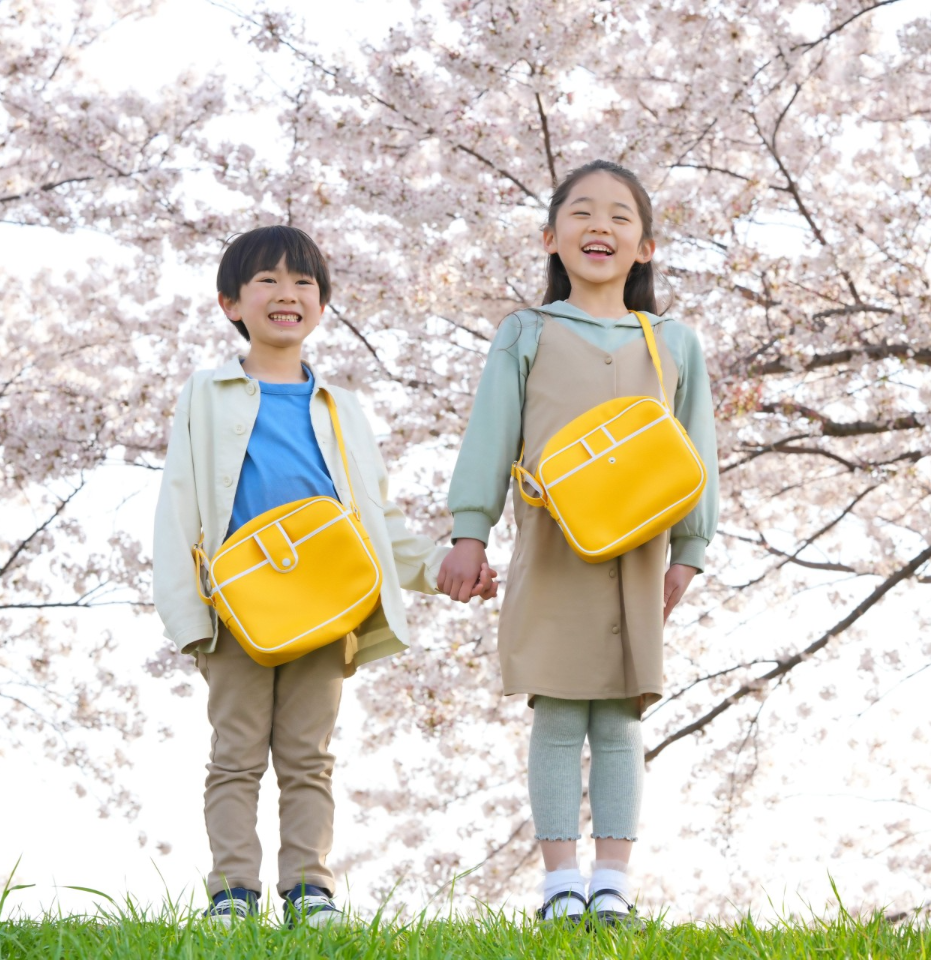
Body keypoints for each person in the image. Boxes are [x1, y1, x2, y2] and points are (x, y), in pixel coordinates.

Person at [153, 225, 496, 928]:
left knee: (310, 756)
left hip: (325, 605)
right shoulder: (208, 393)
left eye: (304, 283)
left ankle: (309, 890)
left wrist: (438, 566)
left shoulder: (342, 409)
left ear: (322, 304)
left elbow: (375, 522)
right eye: (267, 282)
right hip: (240, 609)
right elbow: (179, 504)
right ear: (230, 304)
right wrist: (189, 617)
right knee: (236, 754)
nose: (287, 295)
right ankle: (233, 895)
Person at [438, 160, 719, 927]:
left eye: (621, 216)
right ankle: (561, 881)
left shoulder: (672, 342)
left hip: (637, 551)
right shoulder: (526, 331)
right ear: (550, 236)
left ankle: (613, 883)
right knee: (559, 711)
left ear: (647, 247)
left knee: (623, 715)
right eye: (582, 212)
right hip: (553, 545)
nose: (601, 226)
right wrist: (470, 531)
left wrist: (691, 549)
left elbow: (698, 449)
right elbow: (489, 435)